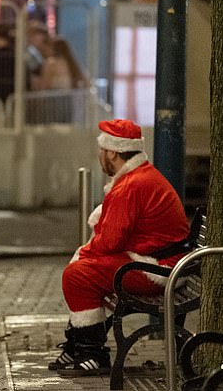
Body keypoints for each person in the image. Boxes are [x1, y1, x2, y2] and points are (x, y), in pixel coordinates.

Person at [49, 119, 189, 376]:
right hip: (162, 263)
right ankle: (79, 344)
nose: (100, 155)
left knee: (77, 276)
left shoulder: (130, 186)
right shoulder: (140, 176)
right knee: (82, 266)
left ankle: (91, 353)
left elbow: (110, 241)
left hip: (156, 269)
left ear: (112, 151)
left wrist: (84, 257)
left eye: (102, 149)